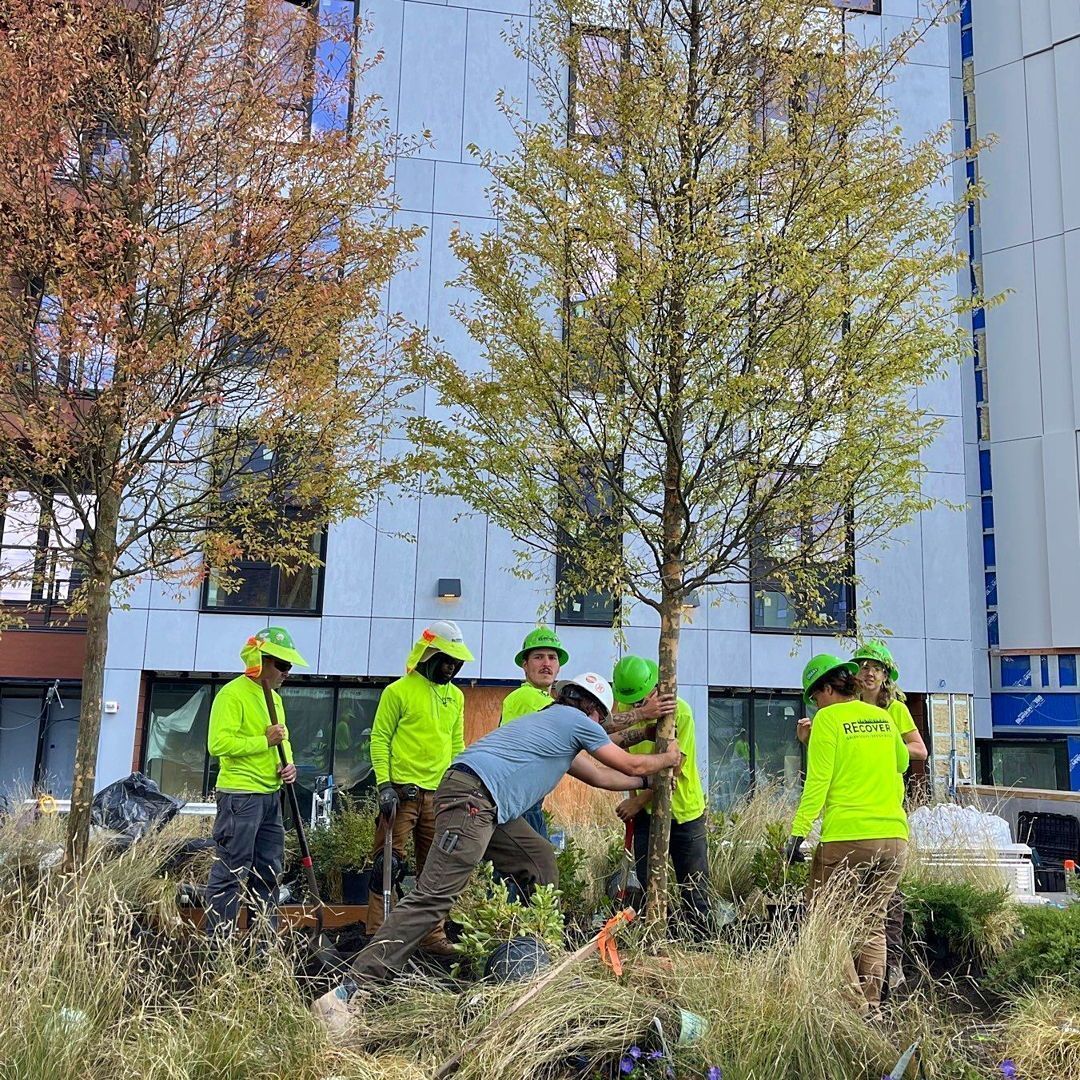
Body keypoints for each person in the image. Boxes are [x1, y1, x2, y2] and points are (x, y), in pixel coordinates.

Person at [311, 672, 681, 1034]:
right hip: (473, 800)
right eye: (601, 717)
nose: (601, 724)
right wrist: (665, 760)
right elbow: (628, 762)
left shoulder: (556, 729)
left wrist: (648, 780)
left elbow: (605, 777)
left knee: (538, 860)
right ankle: (350, 991)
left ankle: (524, 951)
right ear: (593, 712)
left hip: (487, 805)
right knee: (433, 897)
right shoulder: (571, 720)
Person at [785, 654, 909, 1013]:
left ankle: (850, 1011)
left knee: (827, 925)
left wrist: (796, 834)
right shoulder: (883, 717)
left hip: (848, 839)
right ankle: (870, 1008)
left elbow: (818, 784)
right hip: (895, 840)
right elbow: (902, 762)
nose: (815, 704)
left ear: (826, 688)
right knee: (871, 924)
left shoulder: (828, 719)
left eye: (815, 696)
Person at [364, 619, 474, 957]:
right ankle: (378, 936)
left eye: (456, 663)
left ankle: (431, 937)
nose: (452, 668)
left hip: (439, 796)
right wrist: (384, 784)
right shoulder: (397, 691)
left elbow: (457, 745)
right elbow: (380, 739)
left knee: (436, 870)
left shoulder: (455, 697)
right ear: (428, 655)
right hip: (401, 793)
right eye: (447, 660)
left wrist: (461, 787)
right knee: (387, 864)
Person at [204, 626, 307, 938]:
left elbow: (281, 740)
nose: (287, 673)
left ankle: (264, 949)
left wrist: (287, 765)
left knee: (269, 873)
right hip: (240, 797)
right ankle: (217, 947)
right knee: (232, 871)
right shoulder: (232, 695)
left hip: (270, 795)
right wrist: (264, 741)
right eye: (283, 665)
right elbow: (217, 744)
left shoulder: (274, 698)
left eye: (289, 666)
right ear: (261, 661)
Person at [608, 655, 710, 939]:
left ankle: (702, 942)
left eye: (643, 700)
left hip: (683, 812)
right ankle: (658, 937)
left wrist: (637, 801)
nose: (639, 706)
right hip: (645, 813)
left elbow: (672, 769)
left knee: (694, 888)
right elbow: (624, 759)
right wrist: (635, 803)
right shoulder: (629, 709)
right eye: (635, 702)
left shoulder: (681, 713)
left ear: (656, 686)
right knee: (647, 881)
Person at [852, 640, 928, 996]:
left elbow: (919, 750)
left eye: (875, 668)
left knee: (887, 899)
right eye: (863, 666)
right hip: (854, 809)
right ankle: (858, 970)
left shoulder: (895, 710)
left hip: (886, 810)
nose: (868, 672)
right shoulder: (846, 709)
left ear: (886, 676)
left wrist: (886, 741)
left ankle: (890, 972)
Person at [498, 627, 570, 838]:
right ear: (525, 665)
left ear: (558, 667)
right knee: (538, 866)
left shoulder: (542, 700)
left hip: (528, 803)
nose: (546, 663)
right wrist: (640, 715)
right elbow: (585, 729)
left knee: (536, 867)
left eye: (552, 657)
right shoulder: (526, 697)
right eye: (538, 657)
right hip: (519, 805)